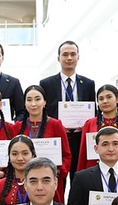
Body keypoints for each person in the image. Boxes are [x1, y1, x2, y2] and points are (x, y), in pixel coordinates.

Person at [38, 41, 96, 180]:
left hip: (79, 137)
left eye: (72, 54)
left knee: (79, 177)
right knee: (56, 177)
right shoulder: (46, 83)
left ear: (78, 57)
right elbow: (44, 111)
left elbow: (94, 110)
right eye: (65, 54)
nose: (69, 58)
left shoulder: (88, 83)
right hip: (57, 138)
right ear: (58, 58)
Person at [17, 85, 72, 199]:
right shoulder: (17, 126)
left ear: (45, 102)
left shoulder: (56, 124)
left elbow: (66, 155)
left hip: (50, 178)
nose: (33, 104)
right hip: (26, 180)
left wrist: (58, 171)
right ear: (24, 103)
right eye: (29, 100)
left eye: (37, 99)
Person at [76, 84, 118, 173]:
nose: (105, 101)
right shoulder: (89, 124)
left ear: (117, 99)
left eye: (109, 97)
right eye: (101, 99)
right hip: (93, 174)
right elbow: (83, 156)